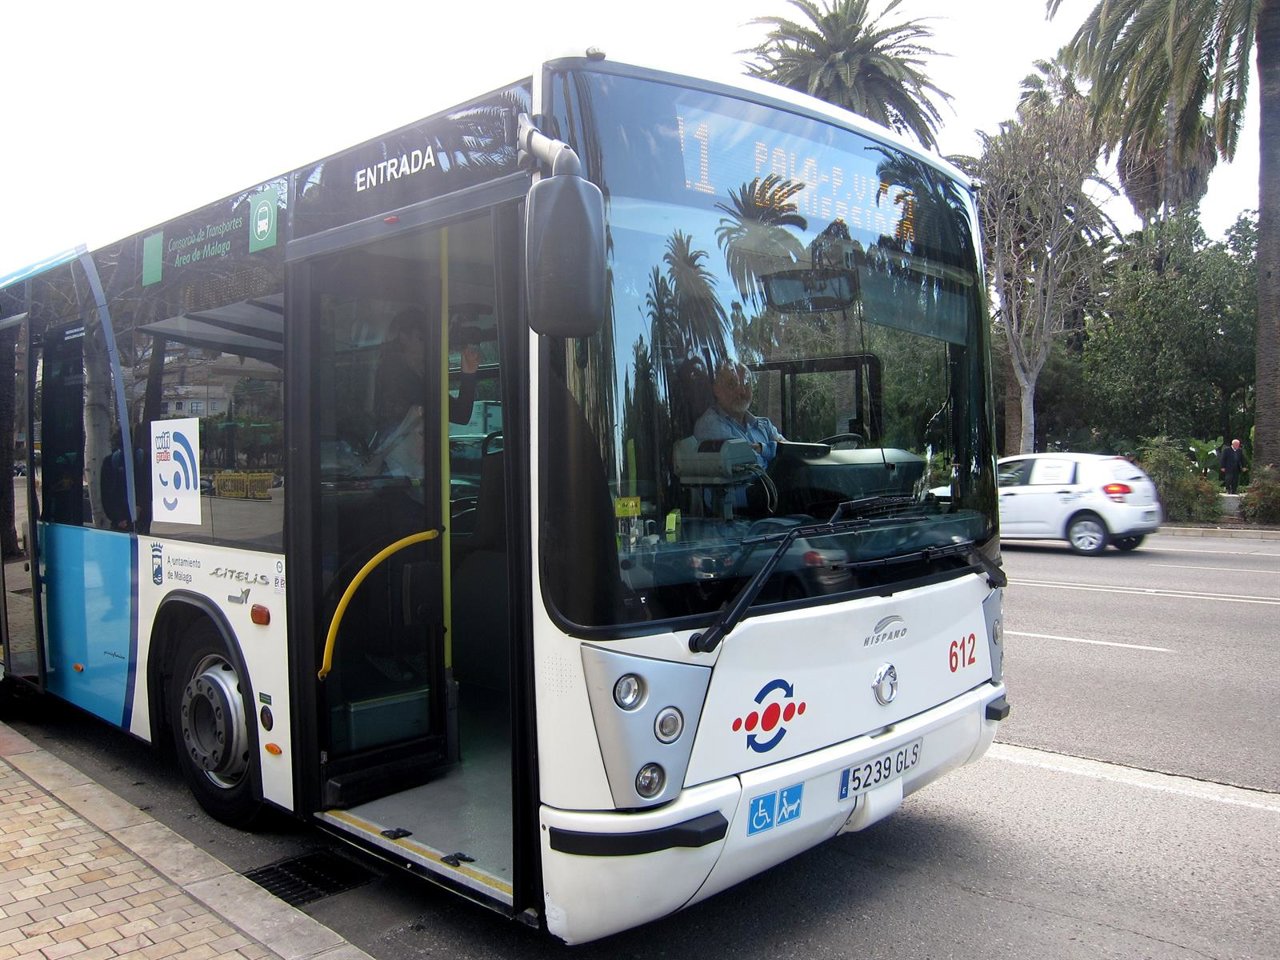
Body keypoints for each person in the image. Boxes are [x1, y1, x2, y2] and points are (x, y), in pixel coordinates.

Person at [693, 360, 783, 468]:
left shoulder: (764, 425)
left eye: (746, 383)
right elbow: (751, 466)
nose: (742, 392)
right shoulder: (710, 425)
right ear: (717, 389)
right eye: (732, 384)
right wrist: (770, 449)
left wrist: (763, 449)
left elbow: (792, 450)